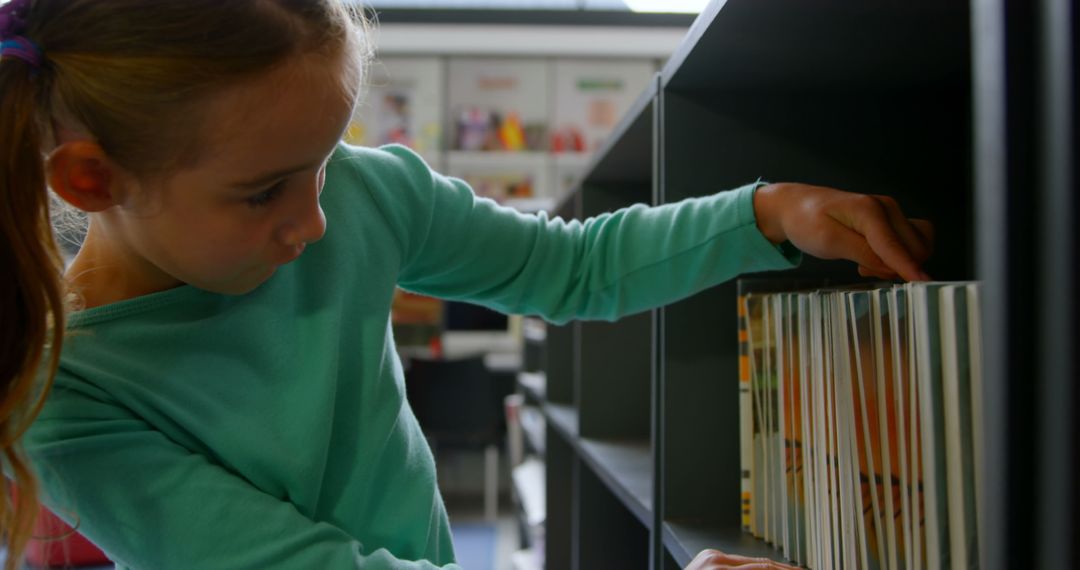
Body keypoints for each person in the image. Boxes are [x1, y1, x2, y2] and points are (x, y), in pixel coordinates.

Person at [0, 1, 932, 569]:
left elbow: (567, 267)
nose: (316, 220)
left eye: (323, 162)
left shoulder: (365, 195)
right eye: (261, 192)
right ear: (92, 181)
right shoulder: (67, 394)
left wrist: (764, 215)